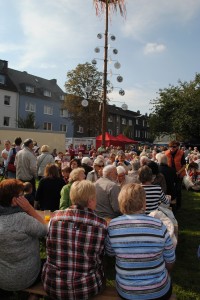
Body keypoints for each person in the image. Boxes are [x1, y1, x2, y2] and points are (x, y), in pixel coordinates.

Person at [106, 183, 176, 300]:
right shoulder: (159, 225)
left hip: (126, 292)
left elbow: (110, 252)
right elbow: (170, 259)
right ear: (144, 203)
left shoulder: (113, 226)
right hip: (159, 292)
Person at [42, 180, 107, 300]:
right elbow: (104, 253)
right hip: (88, 287)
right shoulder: (101, 224)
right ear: (91, 200)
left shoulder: (54, 218)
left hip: (53, 284)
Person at [0, 179, 47, 295]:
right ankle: (33, 295)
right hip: (27, 278)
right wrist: (30, 209)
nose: (25, 198)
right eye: (22, 196)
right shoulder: (23, 219)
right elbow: (45, 230)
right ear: (14, 200)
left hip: (3, 278)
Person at [165, 141, 186, 209]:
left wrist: (178, 172)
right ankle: (170, 204)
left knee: (178, 189)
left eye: (174, 147)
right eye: (170, 146)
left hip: (179, 174)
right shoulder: (166, 153)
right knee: (170, 189)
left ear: (177, 147)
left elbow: (184, 165)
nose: (172, 148)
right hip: (170, 174)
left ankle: (178, 205)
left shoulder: (181, 153)